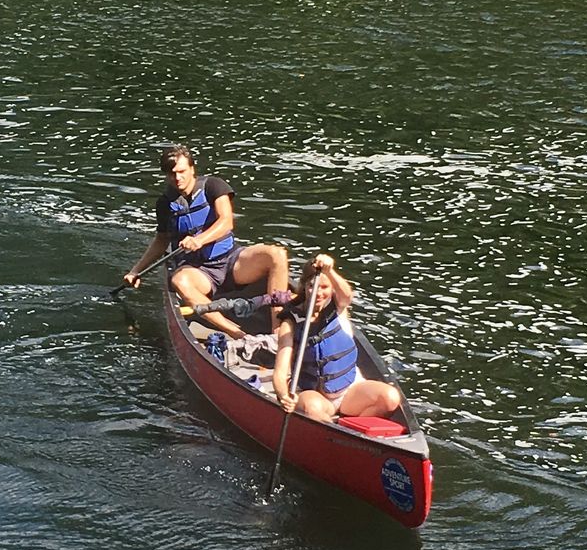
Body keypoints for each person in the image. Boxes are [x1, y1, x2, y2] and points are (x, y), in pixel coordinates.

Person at [122, 146, 288, 308]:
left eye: (181, 171)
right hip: (197, 272)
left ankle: (277, 330)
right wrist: (135, 271)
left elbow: (226, 221)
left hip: (231, 261)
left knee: (276, 254)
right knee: (179, 281)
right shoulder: (165, 204)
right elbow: (161, 241)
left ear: (192, 169)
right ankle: (235, 332)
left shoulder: (213, 186)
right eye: (172, 174)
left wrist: (199, 240)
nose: (177, 177)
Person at [272, 253, 403, 423]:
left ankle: (350, 430)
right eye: (312, 286)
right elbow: (280, 373)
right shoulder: (290, 324)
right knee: (312, 408)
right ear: (304, 287)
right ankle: (332, 432)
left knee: (390, 397)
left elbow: (347, 295)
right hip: (317, 396)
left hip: (350, 391)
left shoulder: (339, 309)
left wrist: (330, 270)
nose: (318, 293)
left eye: (324, 287)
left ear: (332, 289)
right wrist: (284, 396)